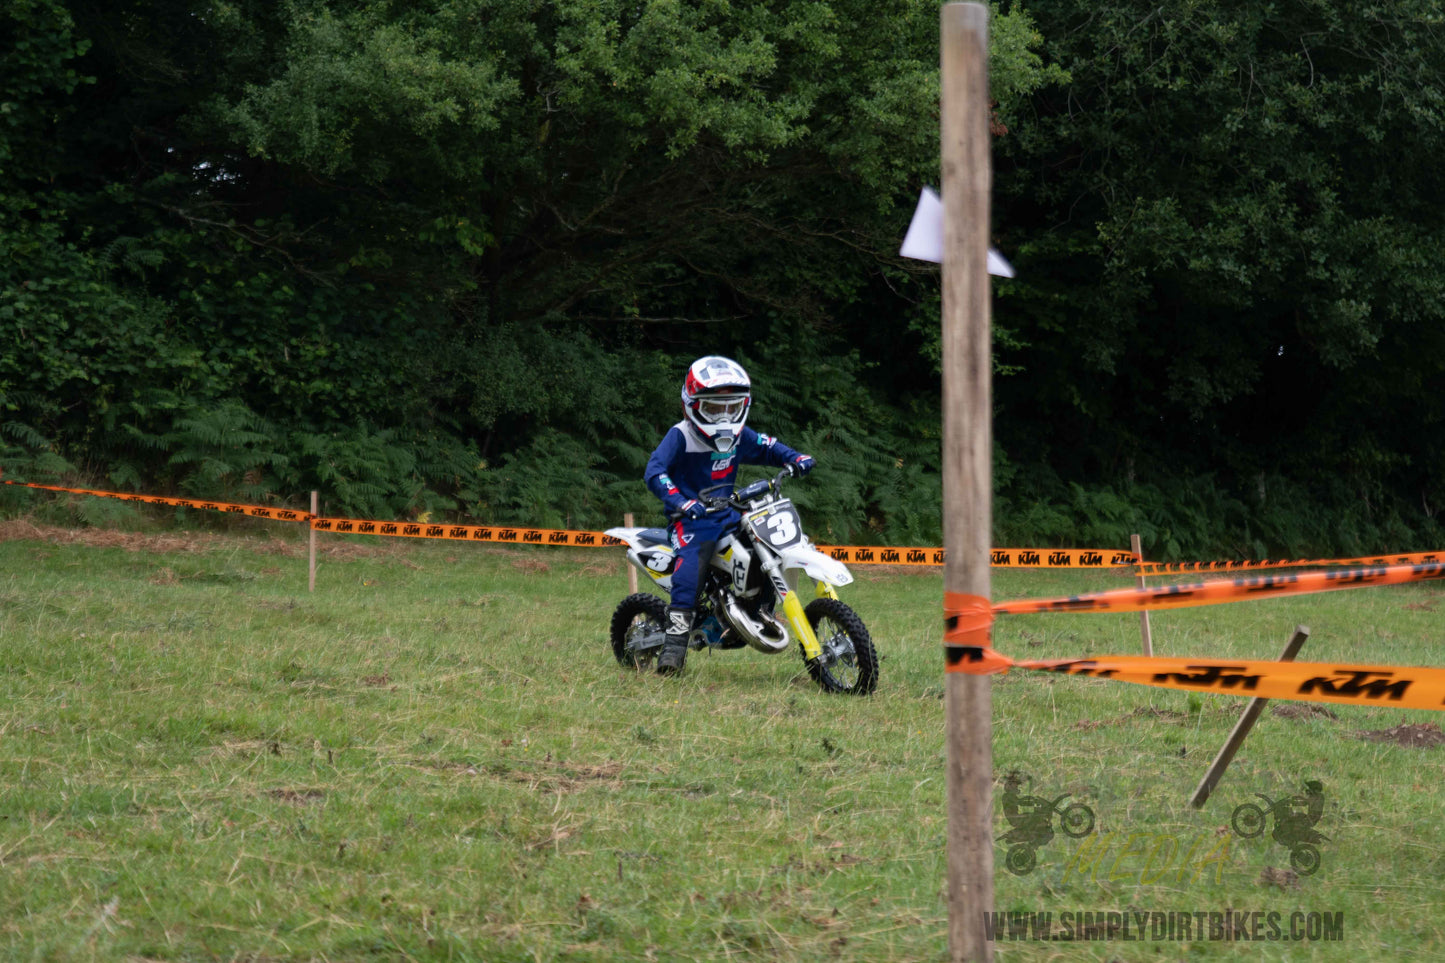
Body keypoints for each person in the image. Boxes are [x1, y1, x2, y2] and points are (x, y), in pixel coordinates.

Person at [643, 356, 815, 675]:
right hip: (691, 521)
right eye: (713, 408)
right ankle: (674, 644)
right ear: (691, 405)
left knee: (766, 547)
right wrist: (682, 502)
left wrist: (796, 457)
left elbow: (768, 447)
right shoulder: (681, 435)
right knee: (691, 565)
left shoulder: (738, 435)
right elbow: (655, 471)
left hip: (730, 512)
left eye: (730, 407)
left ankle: (760, 610)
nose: (723, 415)